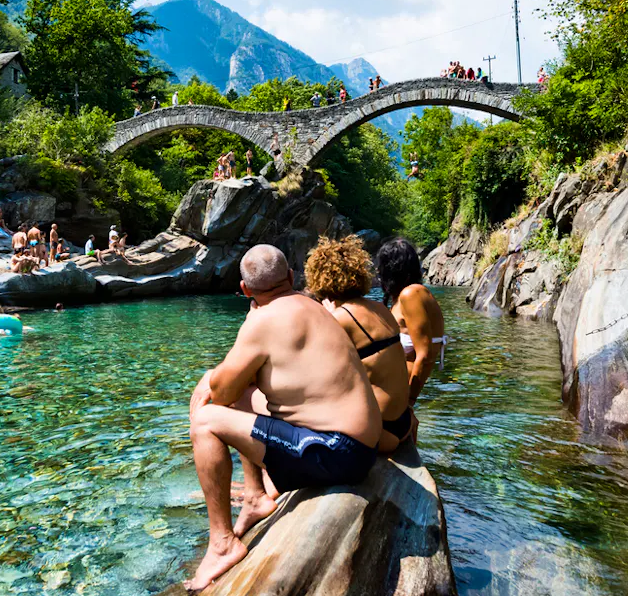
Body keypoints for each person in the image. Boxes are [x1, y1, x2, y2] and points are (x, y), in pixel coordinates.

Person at [184, 245, 381, 591]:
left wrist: (210, 377)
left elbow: (220, 394)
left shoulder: (262, 321)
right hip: (359, 445)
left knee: (205, 421)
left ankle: (222, 544)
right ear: (291, 276)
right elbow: (236, 389)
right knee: (244, 393)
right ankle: (255, 497)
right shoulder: (314, 306)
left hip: (335, 451)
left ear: (245, 289)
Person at [305, 236, 413, 453]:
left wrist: (328, 317)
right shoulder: (380, 308)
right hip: (403, 422)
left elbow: (310, 375)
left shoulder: (340, 318)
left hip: (379, 430)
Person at [375, 239, 448, 409]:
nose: (378, 271)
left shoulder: (411, 294)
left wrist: (409, 402)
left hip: (401, 397)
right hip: (395, 394)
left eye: (382, 266)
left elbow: (425, 355)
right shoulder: (404, 296)